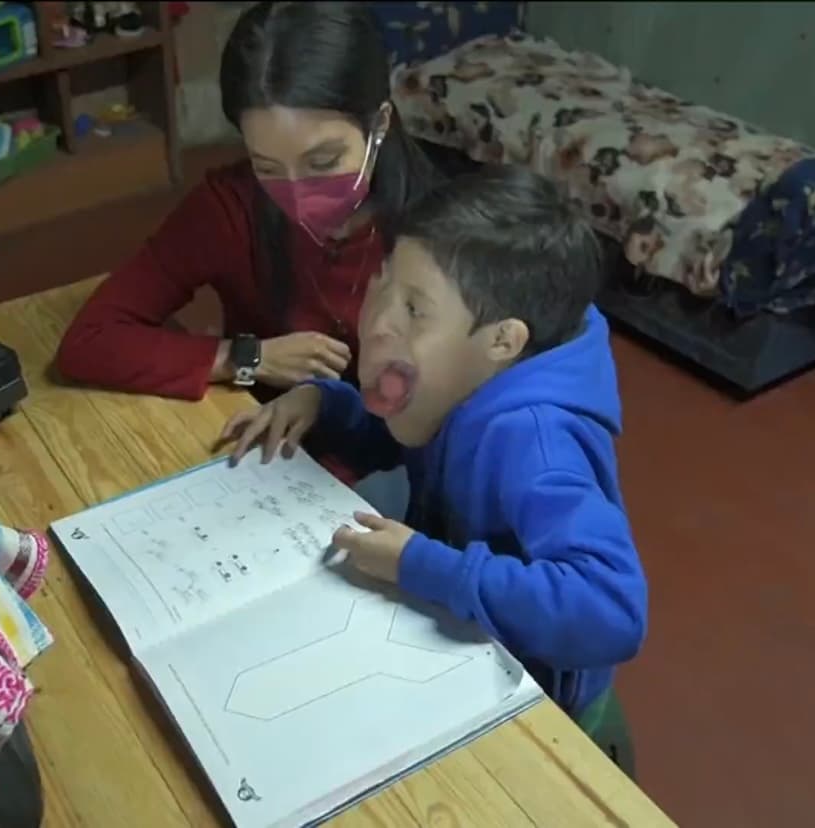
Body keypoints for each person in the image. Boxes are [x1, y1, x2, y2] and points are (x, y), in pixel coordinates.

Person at [216, 165, 648, 776]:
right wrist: (325, 404)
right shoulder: (467, 374)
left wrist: (424, 565)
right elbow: (402, 437)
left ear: (502, 341)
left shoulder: (535, 443)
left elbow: (611, 611)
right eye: (385, 282)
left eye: (415, 309)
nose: (379, 319)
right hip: (457, 639)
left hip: (549, 722)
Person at [55, 1, 440, 411]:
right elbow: (91, 339)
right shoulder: (230, 210)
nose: (296, 191)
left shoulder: (444, 225)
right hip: (267, 446)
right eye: (267, 166)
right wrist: (248, 358)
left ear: (379, 124)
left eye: (323, 162)